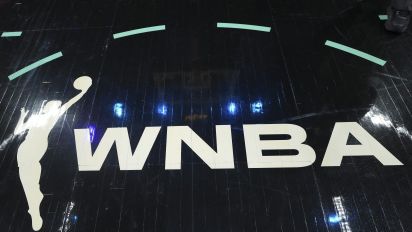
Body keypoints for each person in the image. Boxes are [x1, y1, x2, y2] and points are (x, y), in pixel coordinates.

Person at [14, 76, 92, 231]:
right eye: (54, 104)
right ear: (46, 106)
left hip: (37, 146)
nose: (57, 106)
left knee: (32, 173)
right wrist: (22, 117)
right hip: (25, 148)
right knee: (26, 177)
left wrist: (83, 92)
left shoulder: (53, 116)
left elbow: (69, 103)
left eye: (57, 105)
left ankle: (34, 201)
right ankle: (34, 202)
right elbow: (17, 131)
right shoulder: (35, 118)